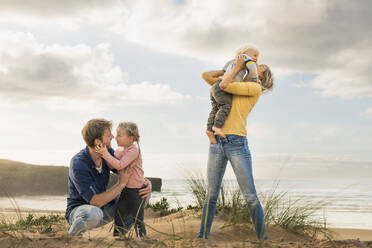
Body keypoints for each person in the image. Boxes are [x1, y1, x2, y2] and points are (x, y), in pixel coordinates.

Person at [198, 53, 274, 241]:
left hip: (237, 143)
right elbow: (207, 76)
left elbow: (223, 85)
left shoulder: (253, 88)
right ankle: (202, 237)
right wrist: (229, 69)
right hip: (217, 143)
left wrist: (238, 66)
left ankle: (263, 239)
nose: (254, 64)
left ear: (261, 77)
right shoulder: (236, 82)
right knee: (211, 195)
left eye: (259, 66)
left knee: (249, 195)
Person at [65, 118, 151, 236]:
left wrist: (146, 183)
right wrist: (120, 184)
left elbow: (126, 170)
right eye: (108, 135)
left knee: (140, 193)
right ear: (97, 142)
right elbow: (95, 202)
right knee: (94, 213)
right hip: (81, 212)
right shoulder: (78, 163)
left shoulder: (108, 153)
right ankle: (73, 234)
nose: (112, 137)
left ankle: (120, 235)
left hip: (103, 208)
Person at [95, 122, 146, 237]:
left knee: (138, 218)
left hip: (136, 191)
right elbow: (113, 165)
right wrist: (107, 152)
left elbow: (120, 165)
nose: (115, 137)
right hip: (126, 189)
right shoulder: (119, 151)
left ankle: (142, 239)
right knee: (119, 215)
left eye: (119, 135)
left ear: (131, 138)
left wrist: (105, 154)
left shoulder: (134, 150)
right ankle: (118, 238)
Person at [206, 45, 261, 144]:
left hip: (216, 85)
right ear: (246, 53)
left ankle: (209, 130)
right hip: (225, 85)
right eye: (255, 55)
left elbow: (223, 71)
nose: (256, 59)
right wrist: (255, 79)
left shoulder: (231, 61)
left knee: (215, 108)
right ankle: (216, 127)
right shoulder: (248, 60)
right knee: (225, 105)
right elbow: (252, 69)